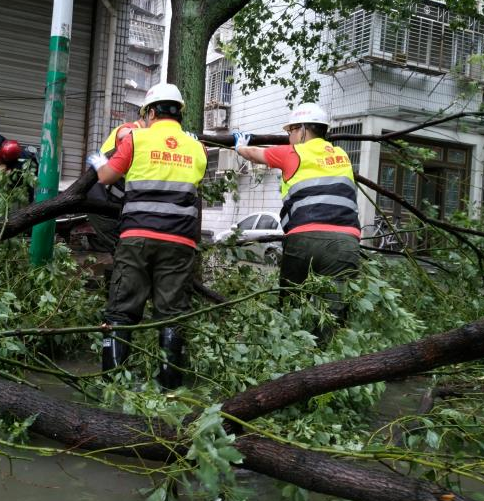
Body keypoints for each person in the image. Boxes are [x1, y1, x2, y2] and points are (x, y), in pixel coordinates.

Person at [86, 82, 208, 389]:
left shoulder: (137, 139)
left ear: (150, 112)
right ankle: (169, 390)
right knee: (172, 313)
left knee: (121, 310)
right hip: (180, 241)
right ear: (179, 113)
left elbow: (106, 177)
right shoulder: (196, 147)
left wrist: (97, 160)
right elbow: (197, 177)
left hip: (137, 236)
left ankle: (113, 385)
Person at [232, 103, 360, 337]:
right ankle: (328, 362)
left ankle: (289, 351)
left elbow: (255, 154)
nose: (288, 137)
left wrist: (240, 145)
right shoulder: (342, 155)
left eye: (290, 131)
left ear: (302, 130)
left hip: (305, 238)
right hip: (347, 243)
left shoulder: (293, 152)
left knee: (291, 303)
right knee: (333, 313)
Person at [86, 117, 147, 253]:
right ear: (148, 116)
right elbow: (123, 133)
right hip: (100, 191)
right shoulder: (131, 127)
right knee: (119, 245)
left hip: (107, 189)